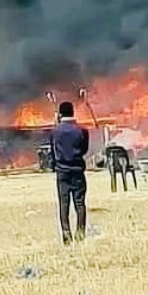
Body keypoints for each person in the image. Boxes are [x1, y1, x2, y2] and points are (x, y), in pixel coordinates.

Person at [49, 100, 89, 244]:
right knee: (80, 203)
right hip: (78, 170)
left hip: (62, 171)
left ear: (60, 114)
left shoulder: (55, 131)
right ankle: (80, 234)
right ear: (73, 112)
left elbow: (52, 152)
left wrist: (54, 165)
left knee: (64, 204)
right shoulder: (82, 131)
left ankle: (66, 236)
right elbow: (84, 150)